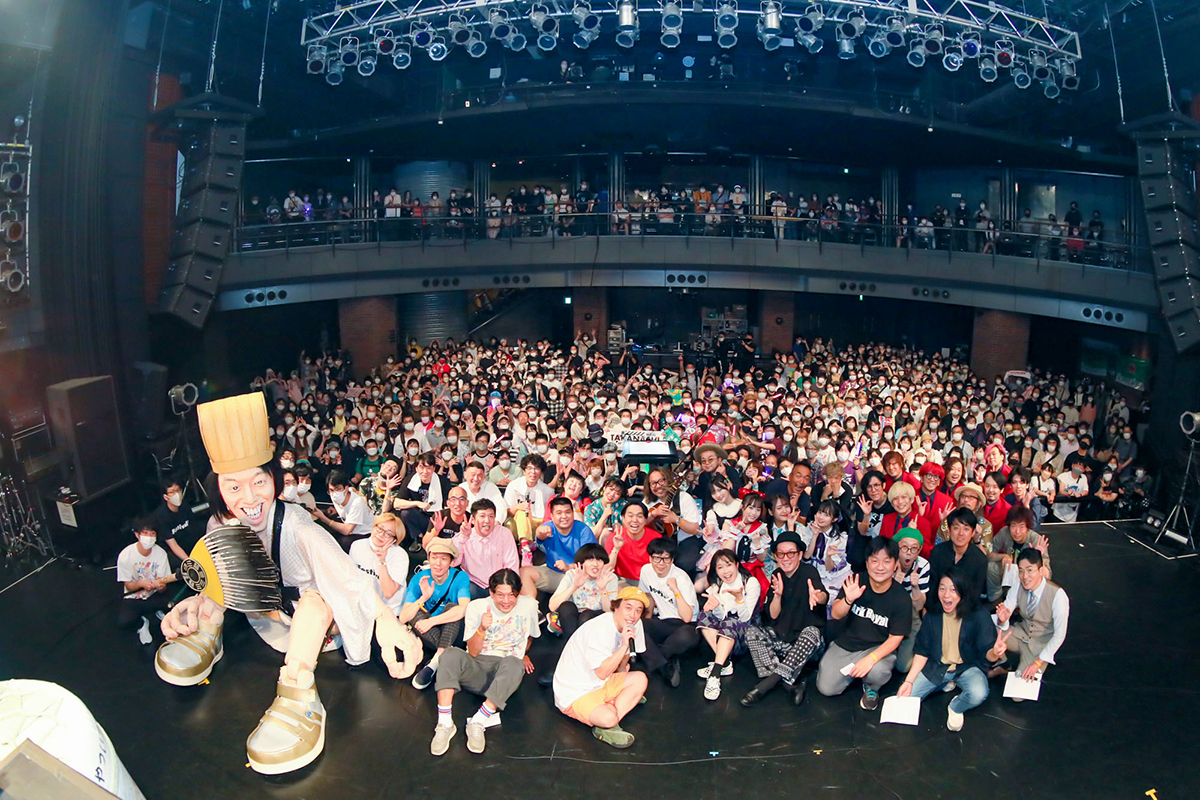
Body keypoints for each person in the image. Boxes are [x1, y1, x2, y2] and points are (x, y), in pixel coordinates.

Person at [155, 393, 420, 774]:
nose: (249, 498)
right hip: (263, 614)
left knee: (314, 600)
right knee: (226, 554)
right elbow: (216, 575)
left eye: (258, 481)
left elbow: (348, 580)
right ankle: (208, 631)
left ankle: (298, 687)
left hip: (312, 625)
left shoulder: (298, 526)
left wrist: (387, 621)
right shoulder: (221, 523)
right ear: (219, 490)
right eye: (234, 487)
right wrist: (197, 601)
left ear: (274, 480)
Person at [430, 569, 539, 756]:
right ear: (491, 592)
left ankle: (478, 721)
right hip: (477, 667)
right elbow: (472, 651)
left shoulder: (529, 606)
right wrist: (481, 628)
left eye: (511, 595)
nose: (506, 601)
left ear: (518, 593)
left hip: (504, 676)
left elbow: (530, 635)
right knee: (449, 654)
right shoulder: (477, 607)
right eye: (500, 595)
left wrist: (524, 653)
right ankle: (445, 723)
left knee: (515, 663)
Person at [895, 567, 1010, 731]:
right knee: (906, 698)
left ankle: (956, 706)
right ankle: (945, 682)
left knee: (978, 693)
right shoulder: (933, 615)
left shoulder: (978, 615)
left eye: (953, 590)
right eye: (942, 589)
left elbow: (987, 655)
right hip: (937, 666)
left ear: (963, 591)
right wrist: (909, 681)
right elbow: (922, 651)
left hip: (966, 667)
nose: (946, 595)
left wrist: (995, 652)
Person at [816, 536, 911, 711]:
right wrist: (848, 600)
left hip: (877, 648)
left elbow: (895, 638)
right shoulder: (856, 581)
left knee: (878, 671)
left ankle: (870, 687)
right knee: (826, 688)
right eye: (874, 561)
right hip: (847, 644)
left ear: (896, 564)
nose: (880, 567)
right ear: (867, 563)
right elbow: (836, 614)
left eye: (886, 561)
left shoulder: (901, 598)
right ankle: (853, 673)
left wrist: (870, 659)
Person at [552, 586, 651, 749]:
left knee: (640, 679)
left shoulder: (635, 624)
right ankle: (609, 720)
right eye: (628, 608)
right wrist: (624, 645)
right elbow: (601, 673)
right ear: (616, 606)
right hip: (576, 692)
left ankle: (610, 720)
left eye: (638, 610)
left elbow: (624, 661)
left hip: (602, 682)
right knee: (608, 718)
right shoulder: (600, 628)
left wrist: (622, 672)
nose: (632, 615)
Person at [739, 531, 827, 707]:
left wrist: (818, 596)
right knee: (752, 632)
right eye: (781, 554)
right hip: (783, 642)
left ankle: (766, 685)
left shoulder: (809, 572)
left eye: (791, 553)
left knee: (811, 632)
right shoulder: (777, 574)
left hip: (807, 645)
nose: (786, 558)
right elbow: (773, 615)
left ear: (799, 555)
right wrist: (777, 595)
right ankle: (788, 684)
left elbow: (822, 596)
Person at [993, 547, 1070, 691]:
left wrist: (1038, 663)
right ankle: (1002, 663)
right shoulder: (1018, 586)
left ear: (1041, 570)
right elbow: (1006, 611)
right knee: (990, 630)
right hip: (1020, 634)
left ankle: (1025, 666)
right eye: (1021, 571)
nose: (1024, 576)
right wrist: (1002, 620)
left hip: (1041, 644)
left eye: (1030, 570)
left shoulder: (1058, 596)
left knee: (1017, 695)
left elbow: (1060, 635)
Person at [400, 539, 472, 691]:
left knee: (453, 607)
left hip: (452, 629)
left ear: (451, 562)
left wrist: (432, 621)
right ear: (428, 558)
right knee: (415, 610)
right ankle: (447, 652)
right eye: (434, 557)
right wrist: (423, 598)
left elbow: (465, 609)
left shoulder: (460, 577)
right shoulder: (420, 578)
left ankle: (434, 663)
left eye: (444, 559)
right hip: (431, 634)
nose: (438, 563)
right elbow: (404, 617)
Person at [637, 537, 700, 687]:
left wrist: (675, 590)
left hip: (685, 624)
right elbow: (647, 595)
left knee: (687, 636)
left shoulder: (681, 578)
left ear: (672, 560)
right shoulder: (646, 570)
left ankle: (655, 658)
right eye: (656, 558)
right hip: (663, 621)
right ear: (650, 558)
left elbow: (687, 617)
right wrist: (647, 618)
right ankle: (665, 666)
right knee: (637, 626)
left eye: (666, 559)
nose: (661, 564)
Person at [521, 496, 597, 597]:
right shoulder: (548, 527)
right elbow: (540, 535)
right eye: (559, 513)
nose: (564, 516)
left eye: (567, 512)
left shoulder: (584, 530)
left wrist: (569, 567)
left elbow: (591, 562)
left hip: (579, 576)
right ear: (552, 516)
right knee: (524, 572)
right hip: (555, 575)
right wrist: (540, 532)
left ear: (573, 513)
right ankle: (530, 605)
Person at [116, 517, 174, 645]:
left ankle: (157, 611)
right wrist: (141, 584)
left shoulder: (161, 554)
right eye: (145, 533)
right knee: (124, 621)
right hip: (134, 596)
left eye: (152, 533)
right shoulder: (126, 555)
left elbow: (164, 583)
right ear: (137, 535)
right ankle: (142, 624)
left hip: (155, 594)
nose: (149, 537)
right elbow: (128, 585)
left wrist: (161, 587)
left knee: (174, 605)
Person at [452, 499, 519, 599]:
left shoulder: (504, 534)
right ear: (473, 519)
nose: (487, 520)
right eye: (482, 516)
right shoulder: (463, 536)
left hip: (500, 585)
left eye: (491, 516)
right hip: (474, 585)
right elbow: (453, 562)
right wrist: (463, 538)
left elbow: (511, 565)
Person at [347, 513, 409, 615]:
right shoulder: (357, 546)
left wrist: (382, 561)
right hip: (362, 605)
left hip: (388, 610)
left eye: (388, 534)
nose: (381, 534)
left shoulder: (400, 555)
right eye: (379, 528)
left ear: (394, 539)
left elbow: (388, 593)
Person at [928, 507, 989, 604]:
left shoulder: (980, 559)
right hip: (938, 605)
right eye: (956, 528)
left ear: (973, 532)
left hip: (966, 608)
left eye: (966, 529)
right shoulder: (937, 552)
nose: (961, 533)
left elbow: (975, 595)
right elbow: (932, 587)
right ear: (949, 530)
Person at [892, 528, 930, 674]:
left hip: (910, 615)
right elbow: (881, 600)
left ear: (919, 550)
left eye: (914, 548)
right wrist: (894, 584)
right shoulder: (888, 562)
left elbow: (919, 606)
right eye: (904, 547)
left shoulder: (923, 565)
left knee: (903, 666)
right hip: (888, 614)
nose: (909, 552)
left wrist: (915, 587)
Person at [310, 469, 374, 550]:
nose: (335, 493)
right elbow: (352, 489)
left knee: (342, 541)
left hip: (365, 533)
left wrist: (323, 518)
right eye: (331, 490)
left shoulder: (356, 502)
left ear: (346, 488)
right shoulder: (334, 496)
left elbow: (347, 530)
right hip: (348, 525)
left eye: (338, 489)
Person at [604, 502, 661, 583]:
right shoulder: (614, 537)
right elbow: (606, 570)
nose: (634, 520)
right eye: (630, 516)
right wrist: (616, 548)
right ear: (623, 518)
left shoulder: (656, 538)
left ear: (645, 520)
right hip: (622, 581)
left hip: (649, 581)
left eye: (639, 516)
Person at [152, 478, 199, 567]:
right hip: (172, 551)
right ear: (166, 497)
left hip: (187, 542)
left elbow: (194, 528)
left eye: (178, 490)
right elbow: (173, 545)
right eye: (172, 492)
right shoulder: (161, 516)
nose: (176, 494)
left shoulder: (184, 505)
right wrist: (190, 562)